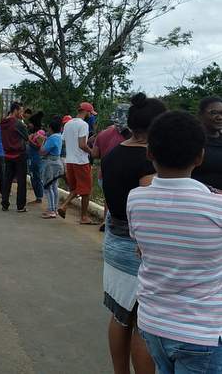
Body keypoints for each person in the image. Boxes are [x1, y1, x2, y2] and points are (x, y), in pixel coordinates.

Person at [128, 111, 222, 374]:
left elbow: (141, 250)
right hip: (201, 332)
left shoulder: (135, 199)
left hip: (153, 324)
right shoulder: (216, 207)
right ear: (200, 157)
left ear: (149, 153)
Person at [101, 93, 166, 374]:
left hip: (114, 240)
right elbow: (148, 212)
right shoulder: (147, 160)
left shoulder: (114, 153)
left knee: (120, 314)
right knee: (142, 321)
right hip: (136, 246)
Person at [92, 103, 131, 226]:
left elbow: (95, 154)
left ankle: (106, 221)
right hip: (123, 177)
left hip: (103, 174)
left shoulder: (104, 133)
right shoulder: (132, 136)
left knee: (108, 200)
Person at [58, 102, 97, 224]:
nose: (91, 116)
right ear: (86, 112)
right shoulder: (83, 124)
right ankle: (83, 217)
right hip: (81, 161)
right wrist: (92, 152)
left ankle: (64, 205)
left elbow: (64, 140)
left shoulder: (68, 123)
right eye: (90, 113)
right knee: (86, 190)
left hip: (69, 160)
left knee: (75, 188)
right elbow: (82, 145)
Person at [0, 102, 28, 212]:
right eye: (21, 111)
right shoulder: (18, 123)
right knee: (21, 181)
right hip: (19, 154)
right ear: (15, 110)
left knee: (7, 179)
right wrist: (22, 121)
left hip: (7, 153)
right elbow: (26, 137)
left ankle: (5, 203)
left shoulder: (3, 122)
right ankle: (20, 206)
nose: (22, 113)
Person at [192, 96, 222, 190]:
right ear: (200, 115)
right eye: (213, 113)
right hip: (200, 197)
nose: (220, 117)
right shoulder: (191, 141)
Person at [40, 119, 64, 219]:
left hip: (50, 164)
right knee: (54, 186)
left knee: (47, 186)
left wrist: (42, 142)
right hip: (58, 162)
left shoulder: (52, 138)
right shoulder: (59, 136)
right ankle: (54, 208)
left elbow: (43, 152)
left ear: (51, 128)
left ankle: (51, 209)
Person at [27, 129, 45, 205]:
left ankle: (39, 197)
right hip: (31, 159)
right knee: (33, 178)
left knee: (37, 178)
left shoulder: (41, 133)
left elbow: (39, 146)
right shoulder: (33, 133)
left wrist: (30, 140)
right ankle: (38, 196)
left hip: (37, 160)